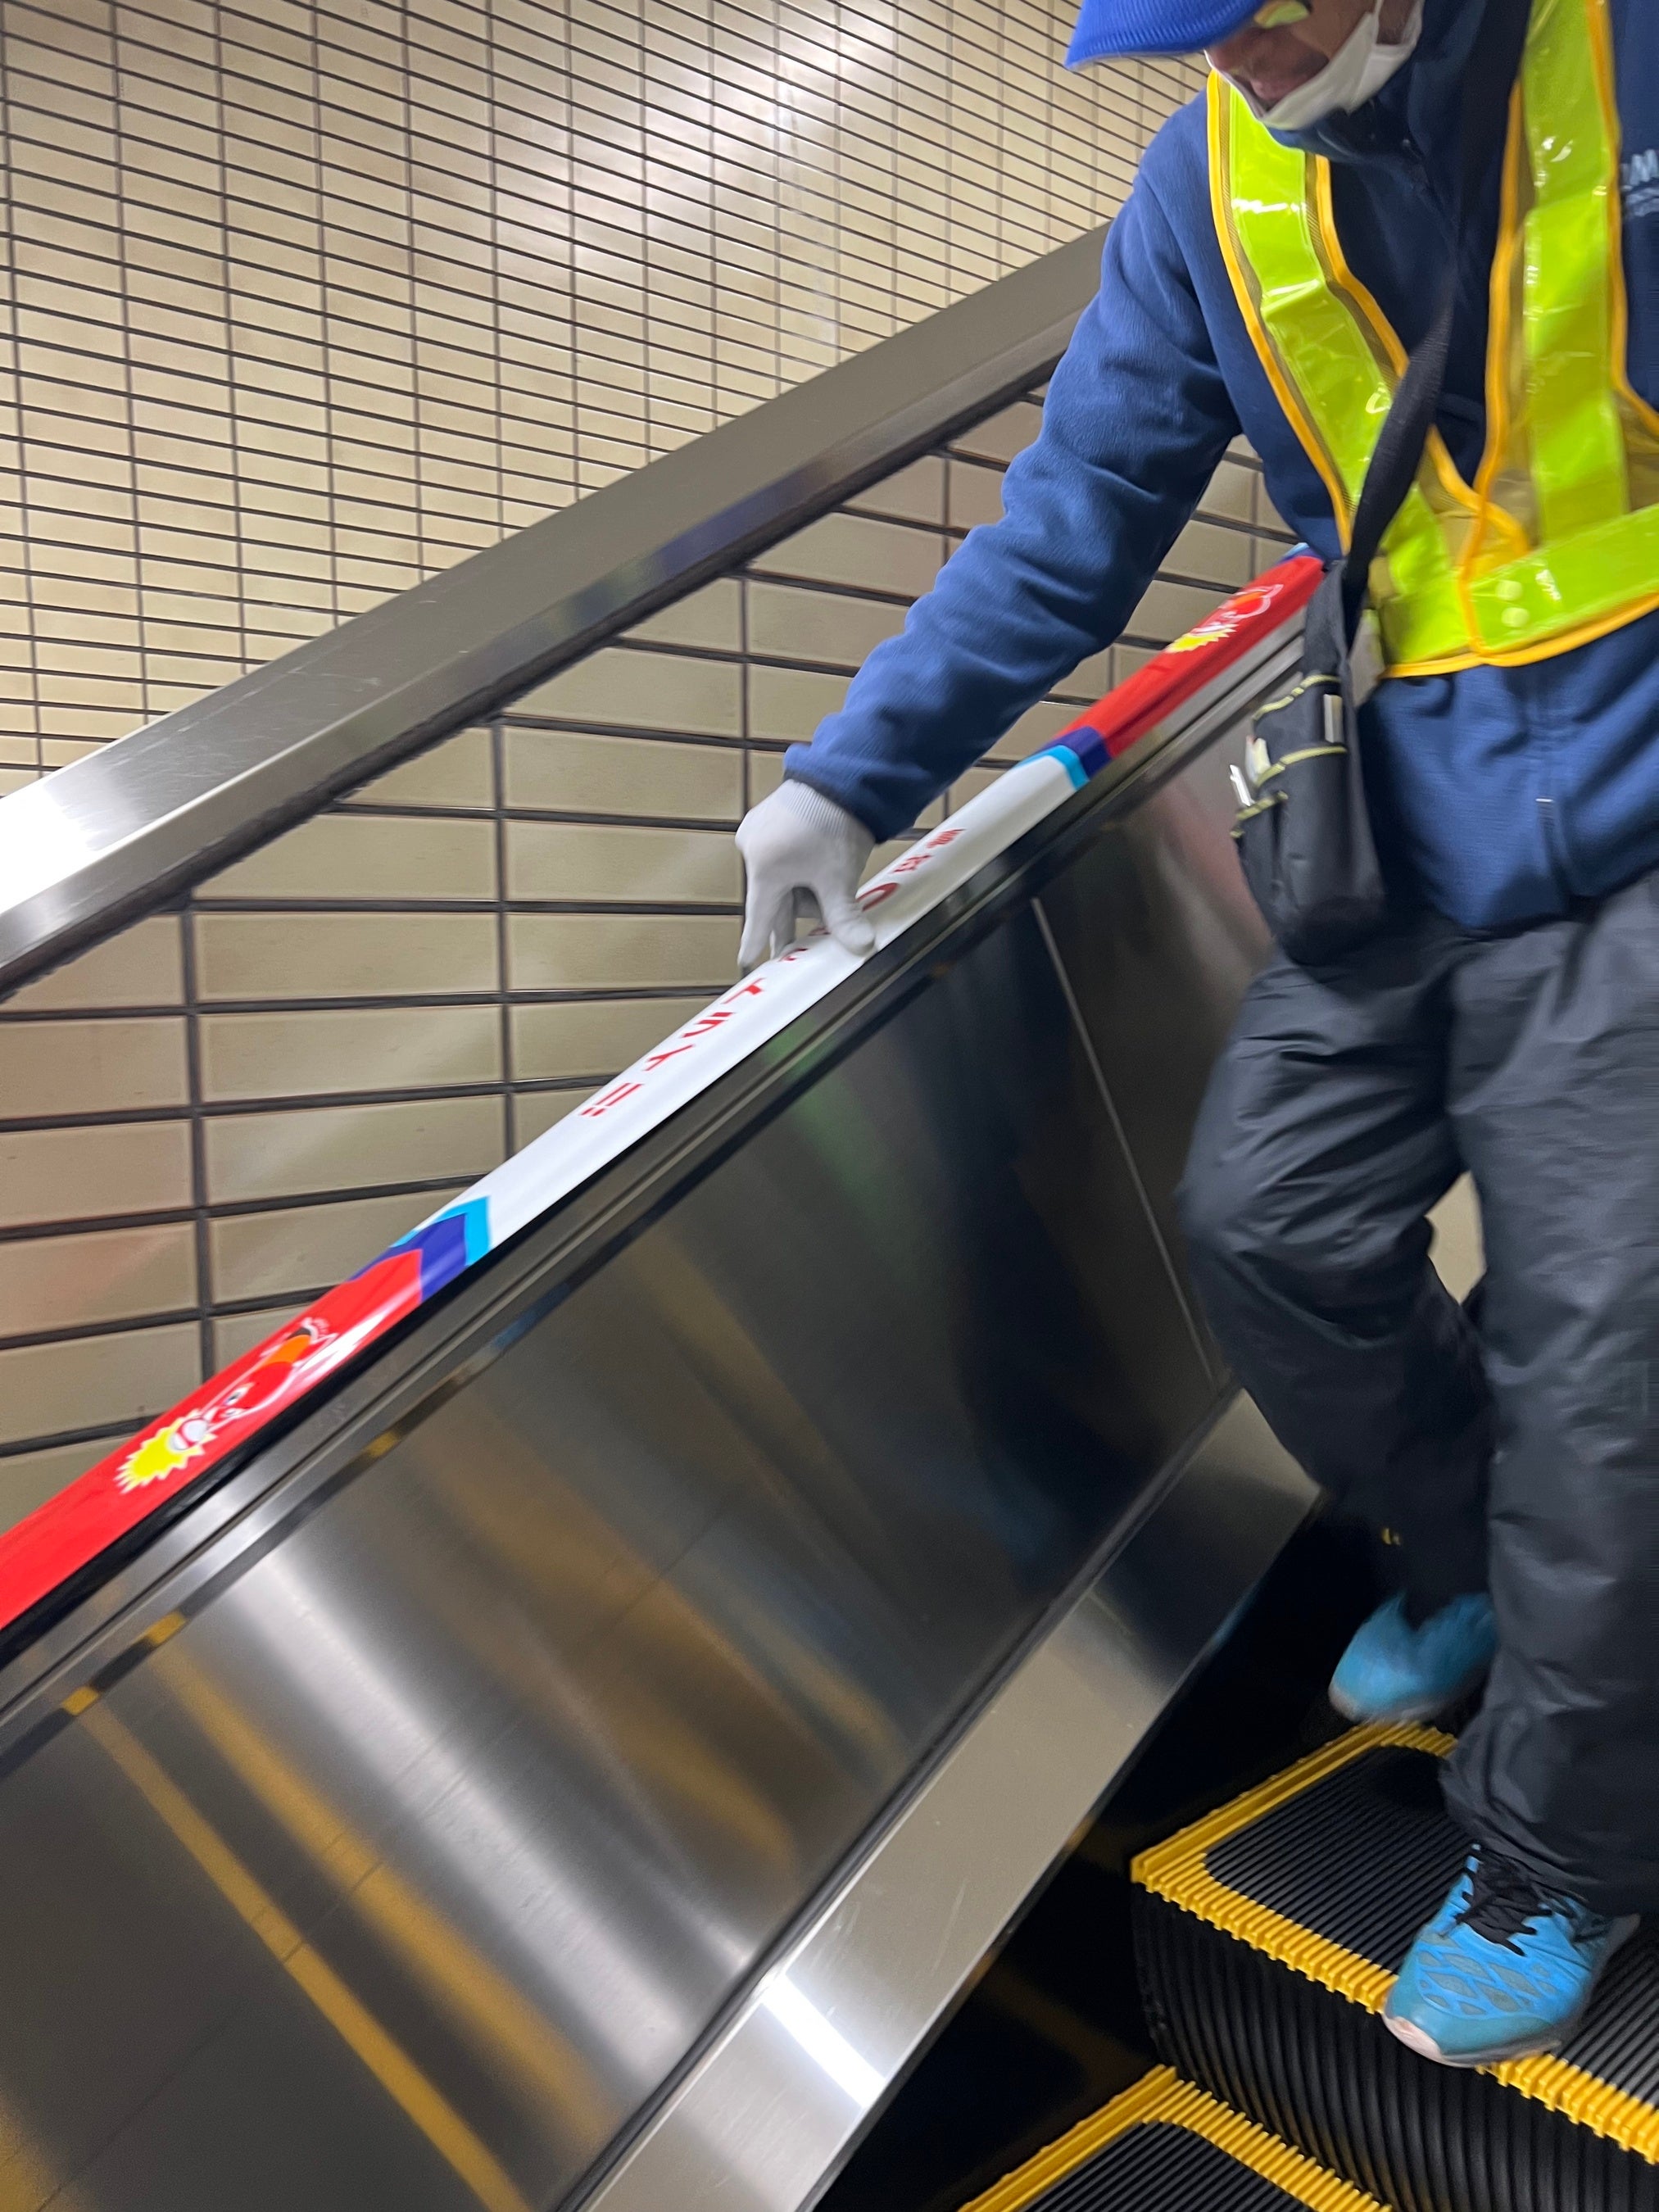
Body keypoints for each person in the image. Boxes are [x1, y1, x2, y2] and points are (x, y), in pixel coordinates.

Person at [734, 0, 1659, 2070]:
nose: (1237, 64)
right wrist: (849, 775)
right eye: (1195, 38)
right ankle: (1485, 1552)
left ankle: (1556, 1855)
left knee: (1609, 1370)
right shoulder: (1206, 189)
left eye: (1256, 18)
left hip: (1641, 821)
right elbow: (1077, 509)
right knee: (1264, 1227)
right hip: (1400, 824)